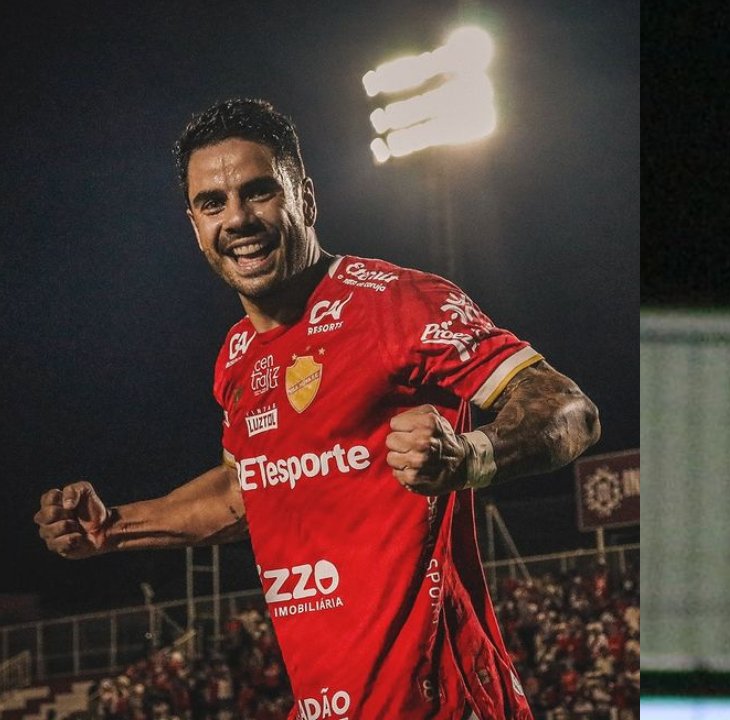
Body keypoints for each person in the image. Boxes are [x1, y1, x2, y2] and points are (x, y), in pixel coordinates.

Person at [34, 98, 601, 720]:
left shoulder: (398, 303)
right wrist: (110, 528)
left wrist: (470, 456)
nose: (237, 220)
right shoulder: (237, 357)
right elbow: (242, 492)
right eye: (212, 203)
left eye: (259, 192)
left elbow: (568, 408)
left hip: (442, 704)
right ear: (193, 223)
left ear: (305, 195)